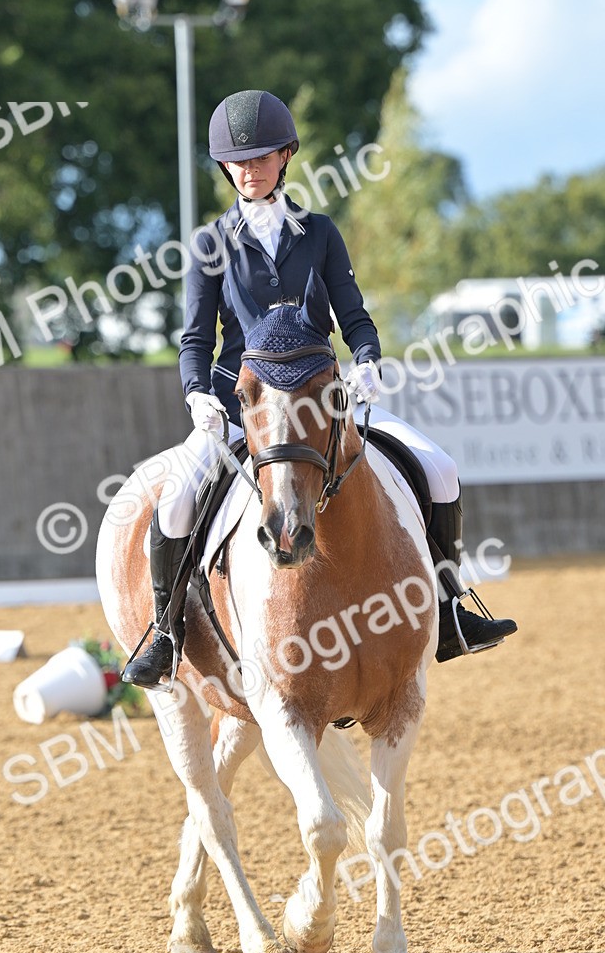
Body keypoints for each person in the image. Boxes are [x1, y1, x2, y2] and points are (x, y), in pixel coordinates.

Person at [123, 89, 517, 687]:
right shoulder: (210, 244)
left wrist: (368, 359)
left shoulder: (321, 233)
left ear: (285, 156)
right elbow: (196, 338)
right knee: (176, 500)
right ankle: (166, 633)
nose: (248, 171)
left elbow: (354, 316)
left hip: (324, 402)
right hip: (243, 406)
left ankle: (448, 609)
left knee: (440, 469)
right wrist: (197, 393)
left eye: (260, 158)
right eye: (237, 162)